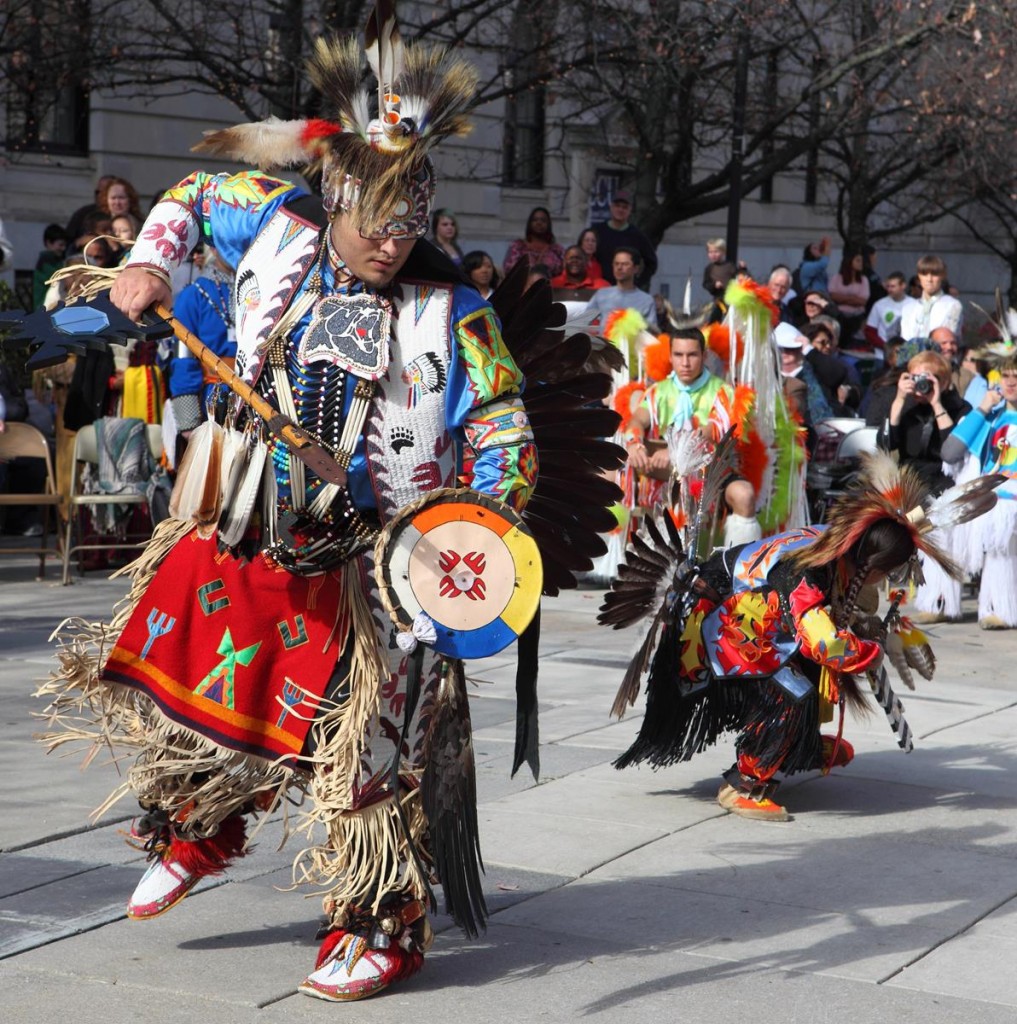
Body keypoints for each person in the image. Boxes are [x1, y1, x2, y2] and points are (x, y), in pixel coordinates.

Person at [43, 17, 544, 1004]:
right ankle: (198, 822)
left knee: (377, 745)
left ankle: (378, 920)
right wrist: (150, 261)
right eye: (378, 222)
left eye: (413, 225)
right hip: (249, 510)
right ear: (338, 193)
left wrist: (476, 519)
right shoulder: (274, 220)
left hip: (389, 554)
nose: (395, 243)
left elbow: (504, 428)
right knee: (187, 660)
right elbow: (187, 201)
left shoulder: (455, 314)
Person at [605, 451, 974, 820]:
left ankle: (802, 746)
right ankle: (743, 784)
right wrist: (868, 651)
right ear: (872, 563)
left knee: (806, 672)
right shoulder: (811, 569)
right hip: (714, 621)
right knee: (791, 690)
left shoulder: (833, 545)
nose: (889, 581)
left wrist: (870, 631)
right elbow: (826, 642)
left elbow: (823, 624)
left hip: (747, 621)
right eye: (891, 571)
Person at [623, 328, 760, 546]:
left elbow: (711, 431)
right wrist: (634, 444)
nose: (685, 362)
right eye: (679, 355)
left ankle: (737, 567)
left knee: (744, 494)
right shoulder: (659, 391)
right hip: (664, 478)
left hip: (710, 477)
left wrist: (677, 451)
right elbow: (637, 421)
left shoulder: (722, 391)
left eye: (692, 355)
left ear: (704, 356)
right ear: (670, 356)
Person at [942, 353, 1017, 630]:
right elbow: (950, 453)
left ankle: (1000, 608)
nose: (1010, 383)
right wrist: (983, 407)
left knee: (1003, 524)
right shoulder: (991, 415)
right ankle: (940, 602)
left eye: (1016, 377)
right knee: (941, 522)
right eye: (1005, 376)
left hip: (1007, 500)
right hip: (988, 491)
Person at [589, 191, 657, 291]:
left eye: (624, 207)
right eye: (617, 206)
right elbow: (585, 256)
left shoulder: (637, 235)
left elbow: (652, 263)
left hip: (626, 291)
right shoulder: (597, 231)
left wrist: (638, 283)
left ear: (630, 210)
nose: (620, 210)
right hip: (598, 289)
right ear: (611, 207)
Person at [585, 247, 658, 329]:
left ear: (636, 268)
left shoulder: (646, 300)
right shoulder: (601, 295)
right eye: (616, 264)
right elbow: (584, 322)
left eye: (625, 264)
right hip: (605, 341)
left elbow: (652, 333)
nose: (619, 268)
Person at [899, 254, 962, 340]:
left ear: (943, 276)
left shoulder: (952, 305)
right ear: (919, 276)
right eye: (924, 274)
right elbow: (905, 338)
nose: (929, 279)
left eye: (935, 274)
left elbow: (947, 339)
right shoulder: (908, 308)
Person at [503, 206, 565, 278]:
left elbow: (565, 272)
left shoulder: (557, 250)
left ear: (548, 224)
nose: (539, 223)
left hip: (552, 287)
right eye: (535, 220)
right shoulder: (517, 247)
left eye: (543, 220)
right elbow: (508, 270)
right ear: (530, 223)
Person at [827, 249, 870, 342]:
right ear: (850, 261)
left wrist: (842, 298)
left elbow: (862, 301)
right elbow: (833, 296)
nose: (861, 263)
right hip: (839, 316)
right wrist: (853, 298)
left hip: (857, 317)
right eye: (858, 260)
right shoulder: (836, 278)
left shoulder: (864, 280)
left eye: (861, 261)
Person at [864, 271, 908, 351]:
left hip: (907, 354)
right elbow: (869, 331)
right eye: (888, 286)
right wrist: (885, 346)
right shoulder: (879, 305)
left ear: (903, 286)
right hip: (882, 355)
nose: (890, 289)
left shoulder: (915, 304)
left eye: (893, 286)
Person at [32, 224, 68, 309]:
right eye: (60, 245)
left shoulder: (55, 260)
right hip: (43, 305)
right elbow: (57, 277)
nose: (63, 248)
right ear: (49, 243)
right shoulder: (46, 261)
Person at [702, 237, 736, 302]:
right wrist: (714, 285)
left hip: (731, 299)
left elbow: (739, 278)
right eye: (710, 252)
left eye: (716, 252)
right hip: (718, 299)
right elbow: (705, 284)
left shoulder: (730, 266)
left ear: (723, 252)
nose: (713, 255)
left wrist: (743, 269)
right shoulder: (709, 268)